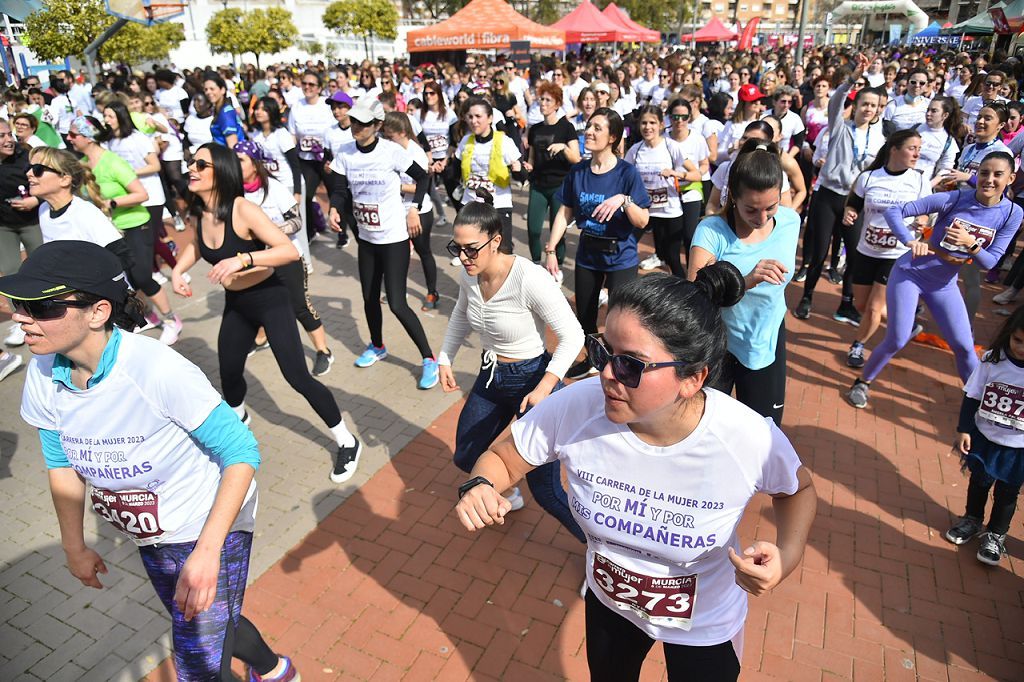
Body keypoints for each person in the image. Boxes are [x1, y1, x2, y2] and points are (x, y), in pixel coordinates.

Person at [453, 266, 816, 682]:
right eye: (604, 352)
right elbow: (504, 457)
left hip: (704, 625)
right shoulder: (578, 405)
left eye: (630, 365)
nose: (607, 373)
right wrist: (480, 484)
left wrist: (785, 558)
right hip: (611, 605)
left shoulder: (745, 436)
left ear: (692, 379)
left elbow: (798, 489)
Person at [6, 240, 300, 682]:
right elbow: (60, 461)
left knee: (196, 661)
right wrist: (74, 545)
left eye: (42, 307)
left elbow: (241, 452)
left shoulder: (158, 370)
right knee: (213, 623)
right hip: (152, 537)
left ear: (98, 312)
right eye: (19, 304)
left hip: (209, 526)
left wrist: (207, 552)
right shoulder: (44, 372)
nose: (19, 317)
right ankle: (275, 669)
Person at [171, 143, 362, 484]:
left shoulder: (243, 209)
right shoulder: (201, 211)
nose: (192, 169)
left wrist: (242, 259)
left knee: (297, 377)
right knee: (228, 371)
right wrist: (177, 271)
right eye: (191, 162)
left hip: (270, 298)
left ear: (223, 171)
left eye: (201, 163)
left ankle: (347, 440)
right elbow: (198, 245)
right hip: (237, 304)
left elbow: (287, 250)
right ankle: (239, 423)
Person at [439, 202, 586, 540]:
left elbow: (572, 334)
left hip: (532, 381)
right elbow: (462, 313)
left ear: (495, 240)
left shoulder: (527, 277)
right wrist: (445, 357)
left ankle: (596, 550)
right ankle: (505, 491)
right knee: (468, 451)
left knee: (546, 490)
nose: (463, 258)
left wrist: (546, 385)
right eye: (457, 249)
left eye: (471, 249)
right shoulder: (469, 274)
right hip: (491, 376)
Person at [849, 153, 1024, 409]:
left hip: (944, 284)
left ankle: (975, 401)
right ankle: (862, 382)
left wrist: (970, 244)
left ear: (1010, 178)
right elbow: (896, 212)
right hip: (911, 273)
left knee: (964, 346)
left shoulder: (1011, 213)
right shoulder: (955, 198)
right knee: (897, 339)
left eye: (998, 175)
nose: (989, 180)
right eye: (984, 173)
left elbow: (990, 262)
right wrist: (910, 241)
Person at [326, 97, 440, 390]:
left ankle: (429, 359)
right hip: (367, 238)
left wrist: (414, 207)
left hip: (393, 239)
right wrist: (334, 207)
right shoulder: (345, 153)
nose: (355, 127)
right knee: (368, 298)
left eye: (363, 123)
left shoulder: (391, 152)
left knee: (398, 303)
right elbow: (339, 189)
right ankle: (377, 346)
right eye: (353, 121)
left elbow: (422, 177)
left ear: (377, 125)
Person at [688, 140, 799, 424]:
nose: (761, 218)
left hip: (766, 340)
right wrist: (746, 281)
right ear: (733, 197)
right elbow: (694, 296)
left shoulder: (790, 222)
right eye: (751, 209)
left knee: (765, 430)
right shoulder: (711, 231)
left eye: (770, 207)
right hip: (718, 344)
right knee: (708, 428)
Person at [544, 107, 651, 379]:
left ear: (613, 137)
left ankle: (618, 365)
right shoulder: (579, 171)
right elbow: (565, 211)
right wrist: (551, 248)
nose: (589, 132)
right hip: (587, 254)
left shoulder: (627, 174)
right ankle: (592, 359)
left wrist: (624, 200)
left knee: (620, 319)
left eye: (597, 128)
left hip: (621, 256)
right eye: (589, 126)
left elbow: (643, 221)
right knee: (586, 318)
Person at [69, 115, 183, 345]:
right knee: (126, 280)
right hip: (111, 231)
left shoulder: (112, 162)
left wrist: (112, 204)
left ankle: (172, 320)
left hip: (136, 224)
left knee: (141, 275)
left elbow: (142, 194)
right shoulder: (81, 165)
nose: (69, 139)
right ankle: (148, 316)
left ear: (89, 138)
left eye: (74, 135)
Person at [794, 55, 883, 325]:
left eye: (873, 105)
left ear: (878, 109)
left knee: (854, 254)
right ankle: (807, 297)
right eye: (864, 104)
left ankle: (846, 303)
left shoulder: (880, 138)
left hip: (855, 201)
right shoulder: (839, 127)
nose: (868, 109)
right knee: (819, 251)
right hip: (828, 195)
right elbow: (835, 101)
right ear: (855, 105)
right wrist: (853, 78)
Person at [235, 140, 334, 376]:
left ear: (255, 163)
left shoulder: (273, 188)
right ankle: (261, 338)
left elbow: (297, 221)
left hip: (287, 256)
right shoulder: (235, 191)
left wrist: (270, 232)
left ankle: (323, 351)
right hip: (258, 259)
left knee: (299, 306)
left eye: (240, 160)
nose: (235, 164)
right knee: (258, 302)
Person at [841, 130, 931, 370]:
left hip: (896, 254)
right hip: (866, 251)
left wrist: (923, 218)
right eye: (912, 148)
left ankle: (858, 346)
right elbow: (854, 204)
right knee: (861, 305)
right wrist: (850, 212)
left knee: (873, 308)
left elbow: (928, 210)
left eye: (919, 149)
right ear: (894, 149)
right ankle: (906, 323)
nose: (917, 153)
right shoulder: (869, 177)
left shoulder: (919, 180)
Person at [945, 306, 1024, 566]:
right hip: (985, 437)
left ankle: (996, 535)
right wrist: (963, 429)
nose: (1021, 348)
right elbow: (972, 395)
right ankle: (972, 519)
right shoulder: (992, 359)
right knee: (979, 482)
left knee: (1007, 494)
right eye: (1018, 340)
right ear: (1009, 333)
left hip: (1018, 447)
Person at [625, 105, 702, 278]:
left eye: (652, 122)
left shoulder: (671, 146)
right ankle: (624, 287)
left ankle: (684, 292)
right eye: (644, 123)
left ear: (660, 124)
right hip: (644, 210)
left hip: (669, 211)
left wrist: (676, 173)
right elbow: (622, 175)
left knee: (672, 257)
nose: (647, 127)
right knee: (627, 246)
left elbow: (696, 175)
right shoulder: (635, 150)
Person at [381, 112, 440, 311]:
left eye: (390, 137)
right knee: (397, 253)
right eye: (385, 137)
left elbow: (421, 185)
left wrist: (395, 187)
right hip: (397, 211)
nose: (387, 141)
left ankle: (432, 292)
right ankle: (397, 292)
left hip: (419, 211)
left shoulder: (416, 153)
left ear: (404, 132)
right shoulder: (390, 152)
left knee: (423, 252)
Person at [453, 97, 524, 250]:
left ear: (490, 118)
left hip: (498, 205)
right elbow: (454, 171)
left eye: (478, 116)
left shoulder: (505, 141)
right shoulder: (466, 141)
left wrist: (518, 170)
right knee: (474, 251)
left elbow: (523, 176)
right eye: (470, 117)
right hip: (471, 205)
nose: (474, 121)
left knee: (502, 251)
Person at [523, 81, 579, 275]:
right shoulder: (535, 129)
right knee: (533, 230)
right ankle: (536, 264)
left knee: (558, 232)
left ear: (557, 104)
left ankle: (558, 267)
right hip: (538, 185)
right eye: (541, 99)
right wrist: (527, 166)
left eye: (548, 100)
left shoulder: (566, 128)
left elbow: (576, 158)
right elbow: (531, 157)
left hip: (559, 186)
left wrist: (563, 147)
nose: (543, 103)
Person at [287, 71, 334, 244]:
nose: (307, 87)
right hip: (306, 159)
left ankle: (342, 230)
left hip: (326, 158)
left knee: (335, 194)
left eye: (312, 84)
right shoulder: (296, 106)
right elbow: (292, 134)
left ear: (319, 88)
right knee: (305, 197)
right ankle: (310, 231)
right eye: (304, 83)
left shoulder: (326, 106)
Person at [915, 96, 961, 185]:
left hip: (925, 185)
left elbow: (946, 168)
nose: (928, 114)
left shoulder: (948, 141)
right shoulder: (916, 129)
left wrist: (929, 185)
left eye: (934, 111)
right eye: (928, 110)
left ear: (945, 115)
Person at [204, 72, 246, 147]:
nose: (208, 92)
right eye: (206, 89)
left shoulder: (226, 114)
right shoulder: (218, 109)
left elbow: (232, 146)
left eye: (212, 89)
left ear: (222, 90)